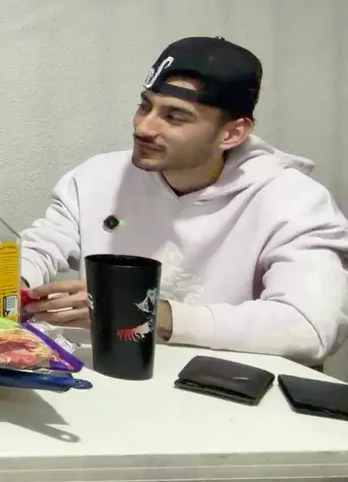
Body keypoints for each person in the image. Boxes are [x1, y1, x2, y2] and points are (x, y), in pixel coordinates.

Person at [20, 36, 348, 365]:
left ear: (232, 133)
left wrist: (153, 315)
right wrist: (15, 278)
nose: (143, 128)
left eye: (174, 117)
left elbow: (311, 328)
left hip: (224, 387)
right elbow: (41, 247)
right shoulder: (97, 177)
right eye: (145, 106)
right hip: (108, 376)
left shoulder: (295, 201)